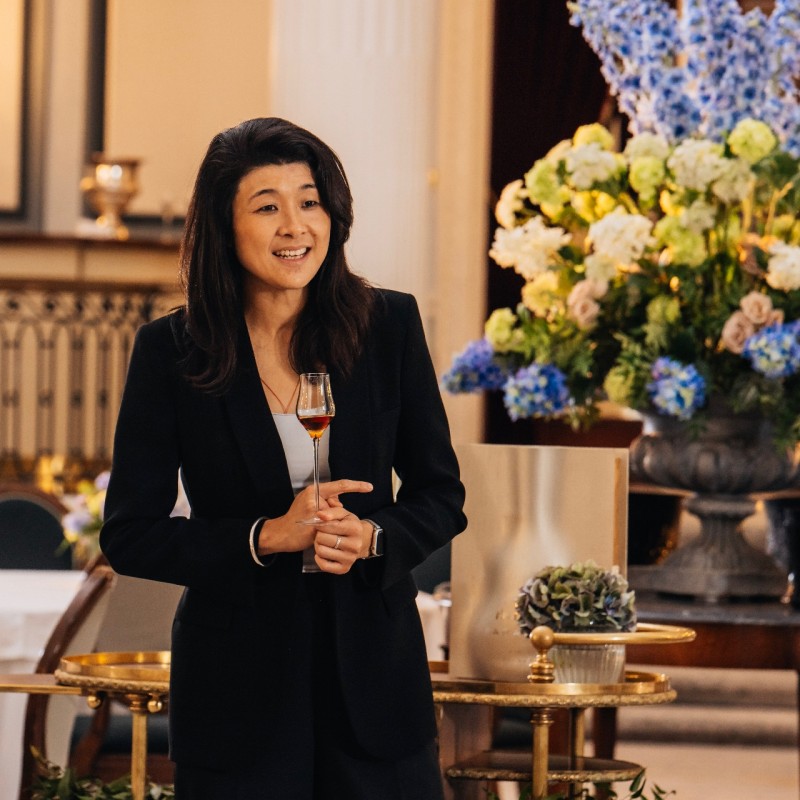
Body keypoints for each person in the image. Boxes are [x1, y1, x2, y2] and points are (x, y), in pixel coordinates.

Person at [100, 117, 467, 799]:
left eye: (310, 201)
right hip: (238, 693)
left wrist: (371, 536)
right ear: (223, 226)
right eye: (267, 206)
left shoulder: (388, 327)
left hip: (375, 685)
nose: (295, 226)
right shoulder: (172, 353)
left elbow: (440, 494)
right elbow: (129, 534)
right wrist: (265, 537)